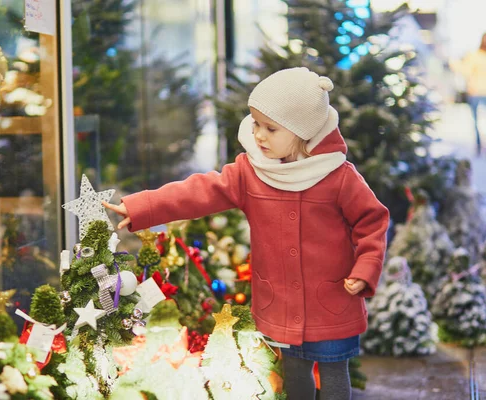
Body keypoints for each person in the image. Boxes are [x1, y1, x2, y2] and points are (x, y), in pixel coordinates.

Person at [104, 67, 389, 400]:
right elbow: (200, 191)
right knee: (294, 371)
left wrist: (365, 269)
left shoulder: (338, 177)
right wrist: (143, 207)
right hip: (281, 302)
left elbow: (372, 222)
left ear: (301, 132)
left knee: (333, 371)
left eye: (270, 128)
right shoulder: (251, 172)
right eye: (255, 124)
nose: (259, 136)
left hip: (332, 299)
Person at [451, 33, 486, 155]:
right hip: (475, 92)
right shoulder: (474, 56)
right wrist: (455, 65)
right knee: (476, 121)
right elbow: (465, 71)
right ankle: (478, 145)